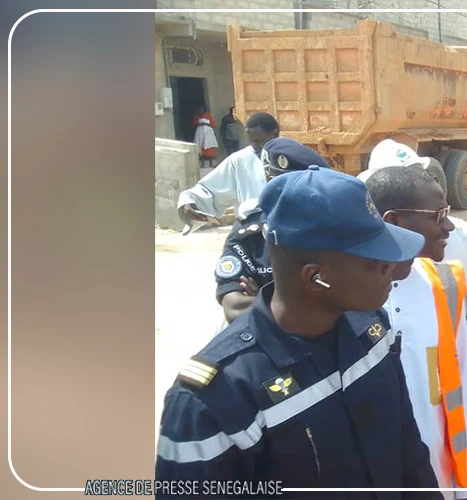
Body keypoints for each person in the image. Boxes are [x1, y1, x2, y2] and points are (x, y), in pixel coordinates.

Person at [155, 167, 441, 496]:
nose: (390, 266)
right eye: (372, 259)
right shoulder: (215, 400)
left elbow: (409, 455)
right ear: (315, 277)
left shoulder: (373, 331)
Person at [365, 166, 467, 500]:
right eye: (438, 215)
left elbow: (461, 392)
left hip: (439, 478)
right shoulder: (350, 297)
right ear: (393, 221)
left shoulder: (446, 285)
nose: (449, 225)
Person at [361, 139, 467, 394]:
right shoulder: (366, 281)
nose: (447, 226)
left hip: (456, 370)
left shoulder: (461, 234)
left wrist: (466, 341)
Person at [214, 137, 331, 324]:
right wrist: (307, 301)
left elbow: (346, 298)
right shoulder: (249, 235)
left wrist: (263, 296)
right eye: (279, 183)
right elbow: (234, 308)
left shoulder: (332, 230)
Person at [177, 112, 280, 226]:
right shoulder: (239, 161)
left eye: (258, 141)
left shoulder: (292, 157)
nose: (254, 146)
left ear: (275, 134)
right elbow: (209, 190)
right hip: (252, 233)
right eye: (251, 141)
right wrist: (189, 203)